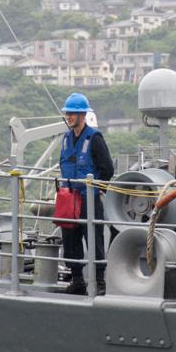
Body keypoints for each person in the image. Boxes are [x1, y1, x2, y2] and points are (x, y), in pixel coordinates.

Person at [58, 93, 115, 295]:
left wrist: (99, 188)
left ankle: (99, 282)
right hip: (68, 198)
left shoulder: (94, 138)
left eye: (73, 113)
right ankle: (77, 279)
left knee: (94, 239)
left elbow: (107, 168)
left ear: (83, 115)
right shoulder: (66, 139)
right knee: (70, 239)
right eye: (67, 113)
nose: (69, 117)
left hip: (88, 198)